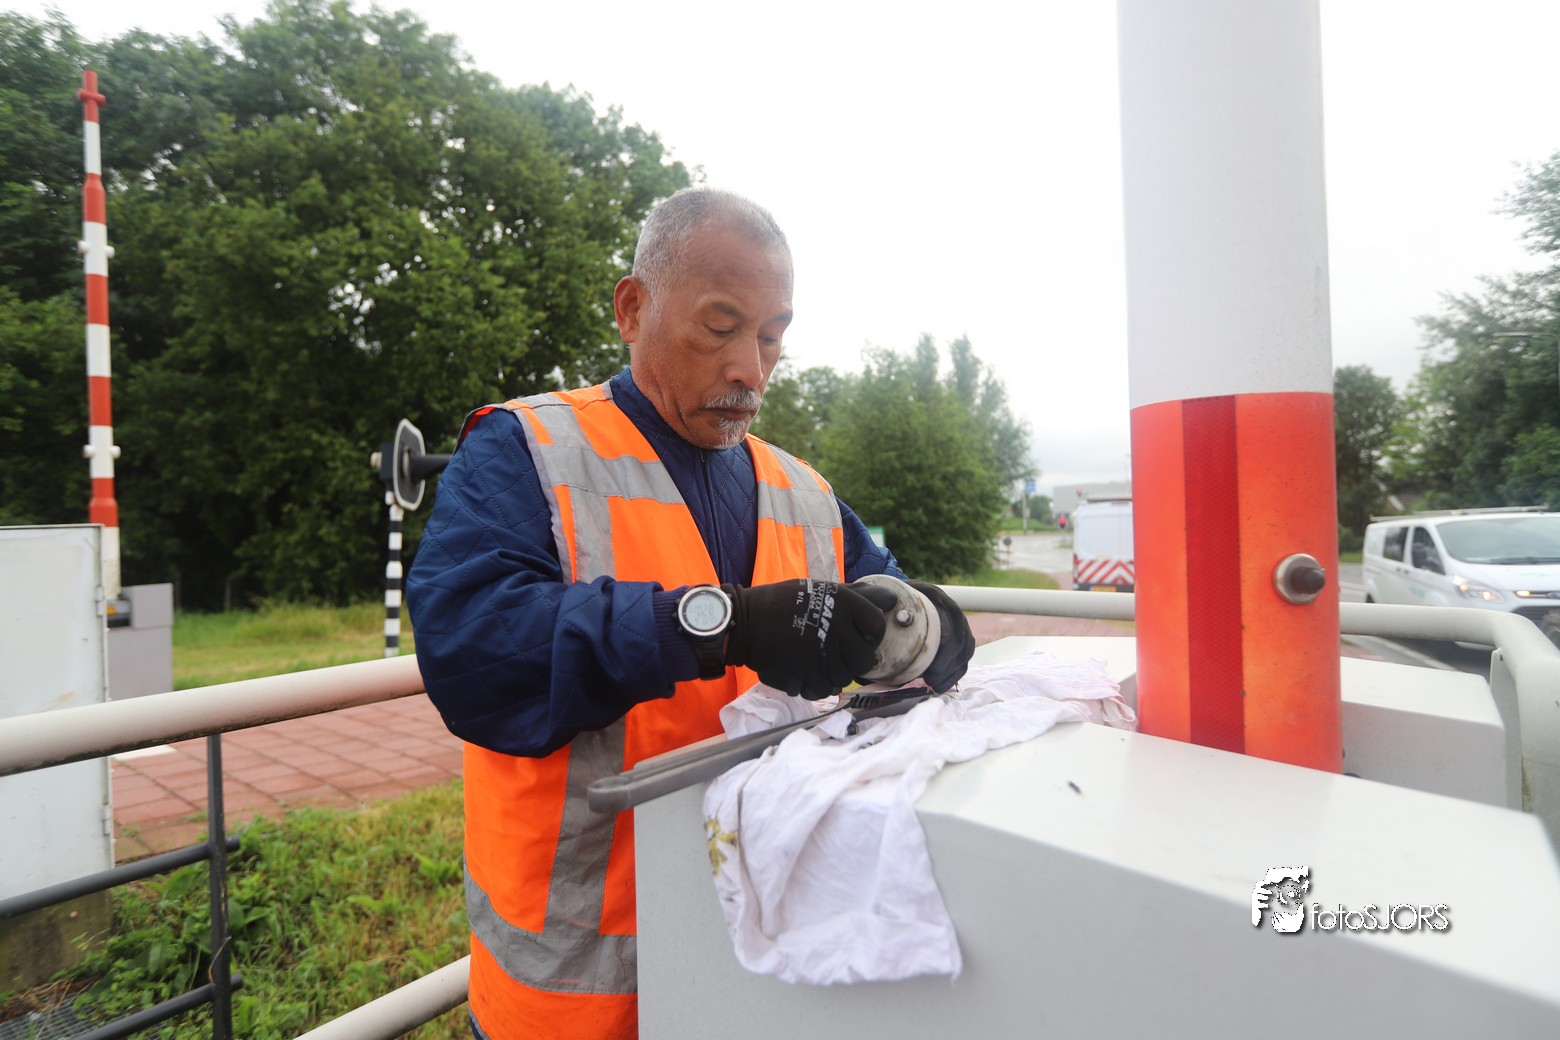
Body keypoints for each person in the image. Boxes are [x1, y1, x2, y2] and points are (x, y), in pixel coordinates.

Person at [406, 186, 975, 1040]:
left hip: (761, 972)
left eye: (772, 336)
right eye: (720, 327)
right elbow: (471, 652)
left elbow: (887, 610)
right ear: (633, 310)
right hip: (581, 991)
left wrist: (928, 627)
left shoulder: (805, 490)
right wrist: (720, 624)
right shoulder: (526, 449)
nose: (751, 369)